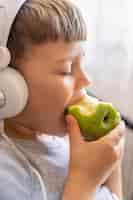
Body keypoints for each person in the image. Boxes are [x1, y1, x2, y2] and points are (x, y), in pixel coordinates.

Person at [0, 0, 125, 199]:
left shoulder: (70, 142)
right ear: (8, 85)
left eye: (82, 63)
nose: (86, 80)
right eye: (66, 70)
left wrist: (112, 164)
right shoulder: (7, 175)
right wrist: (83, 181)